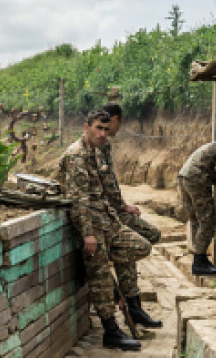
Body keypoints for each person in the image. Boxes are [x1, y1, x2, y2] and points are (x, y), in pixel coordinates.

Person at [60, 110, 152, 351]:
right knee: (100, 278)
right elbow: (78, 199)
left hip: (106, 220)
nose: (103, 133)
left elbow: (106, 186)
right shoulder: (76, 155)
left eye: (105, 129)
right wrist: (88, 234)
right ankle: (111, 330)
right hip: (91, 225)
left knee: (142, 246)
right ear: (86, 127)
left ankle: (115, 284)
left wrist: (120, 207)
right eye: (98, 129)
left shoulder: (95, 151)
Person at [99, 102, 162, 328]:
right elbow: (105, 184)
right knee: (137, 243)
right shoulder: (98, 144)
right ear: (115, 119)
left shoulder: (103, 144)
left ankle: (134, 306)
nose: (113, 130)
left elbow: (110, 183)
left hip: (111, 211)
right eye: (119, 123)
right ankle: (134, 307)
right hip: (105, 214)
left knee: (144, 238)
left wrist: (122, 204)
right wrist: (121, 206)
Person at [178, 141, 216, 276]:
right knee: (208, 221)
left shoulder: (215, 147)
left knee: (196, 220)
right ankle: (199, 262)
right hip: (196, 178)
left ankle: (200, 259)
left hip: (184, 177)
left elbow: (212, 172)